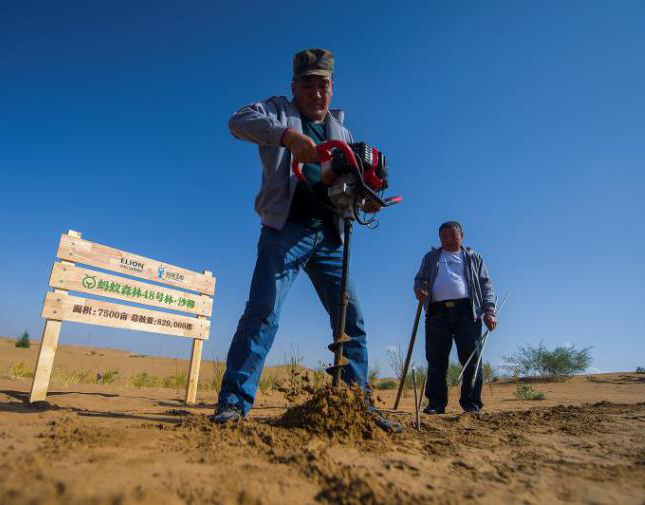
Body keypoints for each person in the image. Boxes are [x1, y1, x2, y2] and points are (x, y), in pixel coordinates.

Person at [213, 48, 398, 431]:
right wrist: (287, 137)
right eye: (309, 84)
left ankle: (355, 406)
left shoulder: (342, 131)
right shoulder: (277, 111)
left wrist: (365, 198)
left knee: (352, 322)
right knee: (263, 312)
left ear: (333, 88)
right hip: (286, 230)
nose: (317, 93)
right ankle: (234, 403)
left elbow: (345, 183)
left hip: (331, 236)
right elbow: (237, 121)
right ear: (294, 86)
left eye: (324, 85)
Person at [413, 221, 496, 415]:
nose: (449, 240)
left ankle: (471, 403)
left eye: (453, 236)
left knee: (471, 358)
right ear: (440, 238)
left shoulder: (473, 257)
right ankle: (435, 403)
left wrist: (489, 311)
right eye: (444, 237)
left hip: (468, 311)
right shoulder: (431, 257)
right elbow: (419, 279)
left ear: (461, 236)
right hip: (436, 312)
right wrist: (419, 290)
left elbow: (486, 285)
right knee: (435, 358)